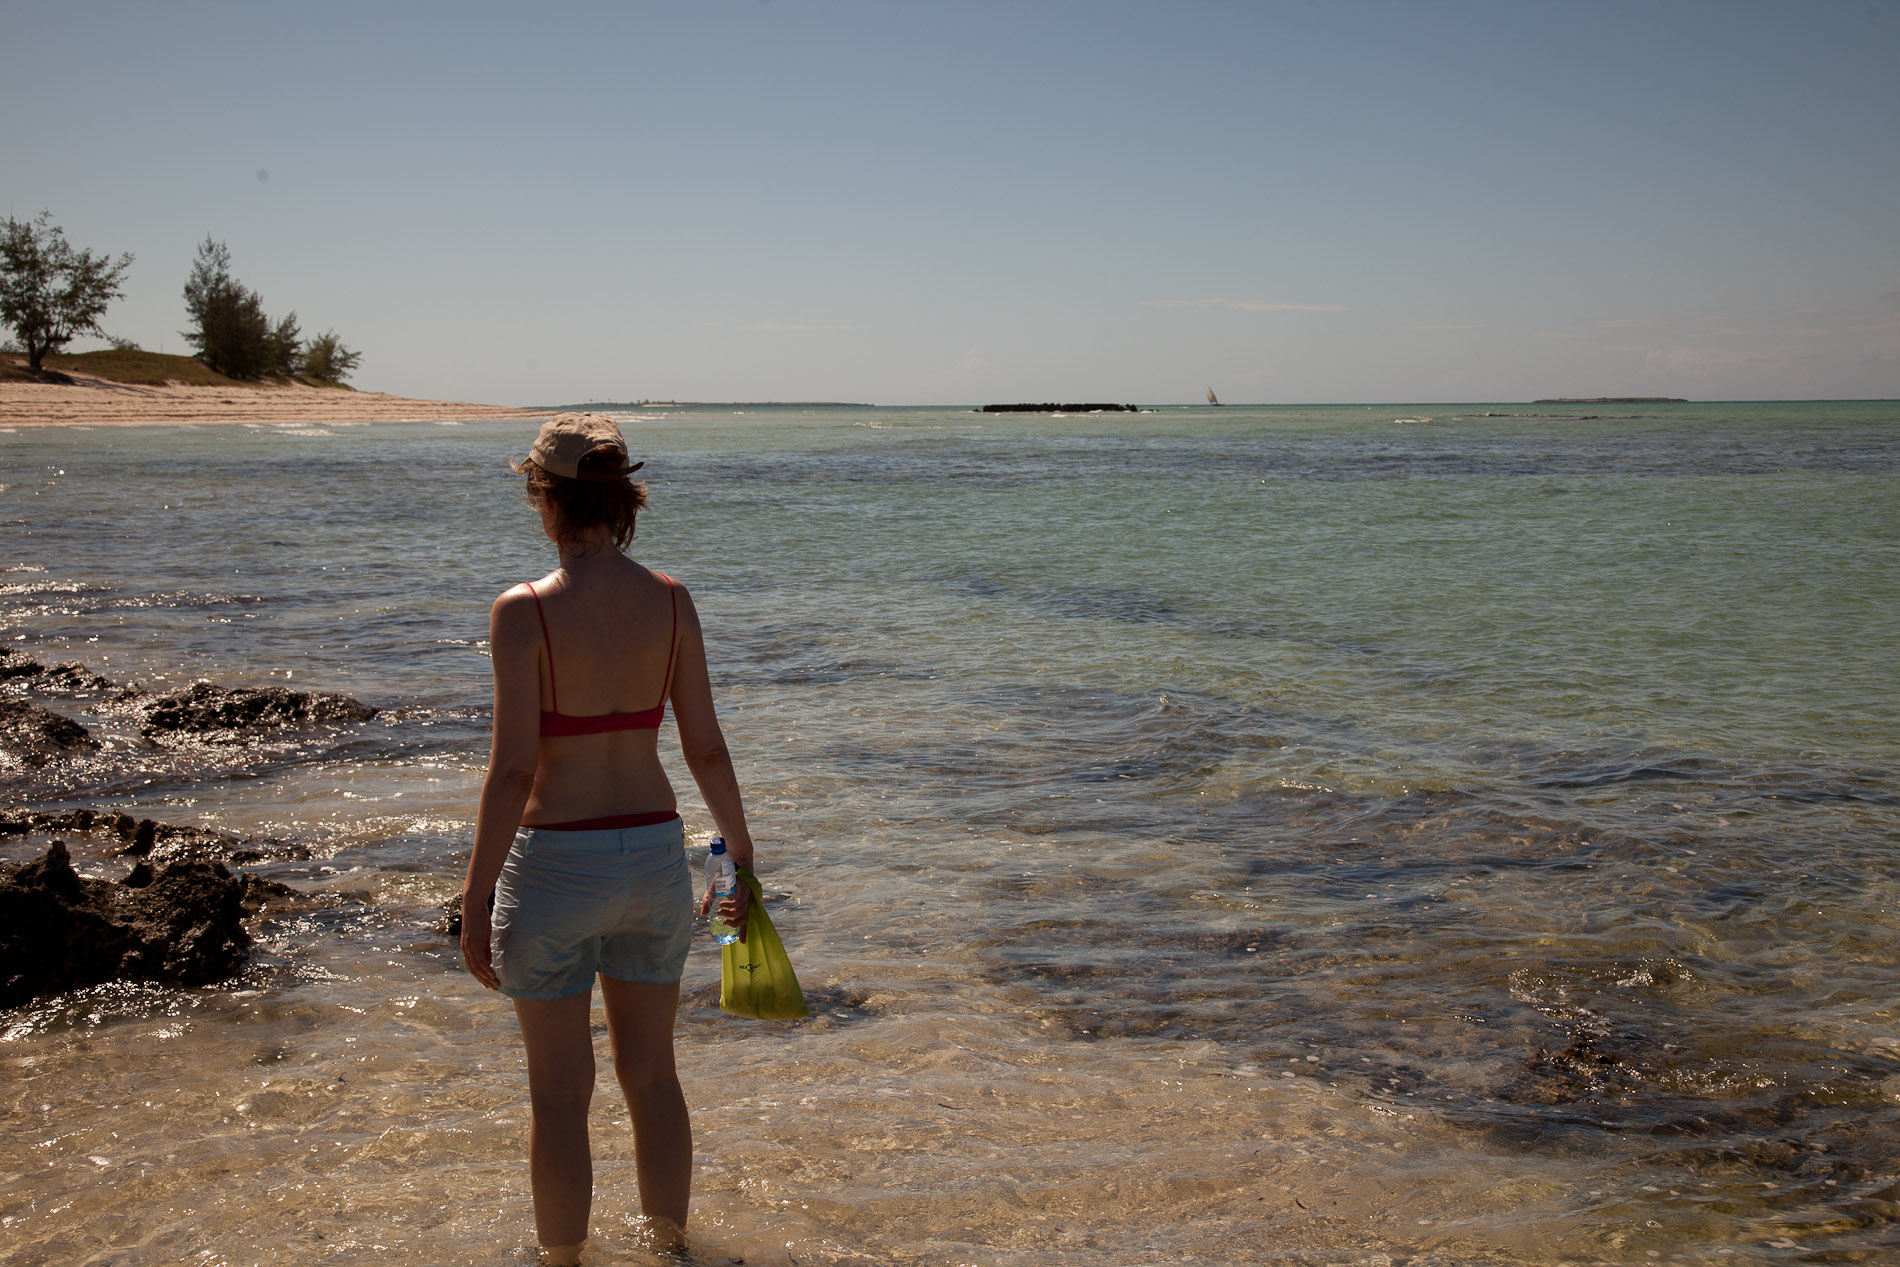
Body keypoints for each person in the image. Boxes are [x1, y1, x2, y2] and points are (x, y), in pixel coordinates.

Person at [460, 413, 755, 1263]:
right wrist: (738, 851)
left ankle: (565, 1263)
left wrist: (474, 899)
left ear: (544, 500)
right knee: (653, 1079)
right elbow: (704, 743)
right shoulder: (670, 599)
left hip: (558, 863)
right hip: (656, 857)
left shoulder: (522, 613)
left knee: (559, 1095)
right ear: (625, 502)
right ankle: (669, 1251)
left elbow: (514, 770)